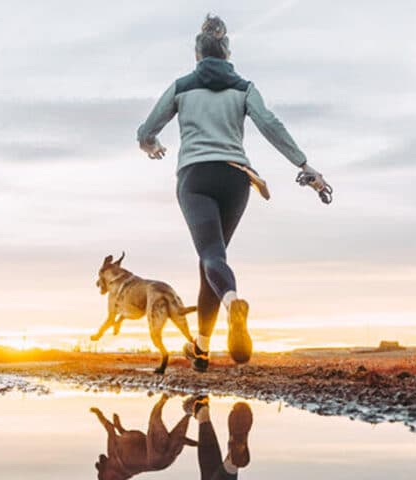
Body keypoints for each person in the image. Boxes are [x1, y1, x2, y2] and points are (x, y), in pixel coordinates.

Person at [135, 14, 322, 372]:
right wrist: (304, 165)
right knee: (212, 260)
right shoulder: (245, 88)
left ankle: (233, 301)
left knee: (211, 257)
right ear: (227, 53)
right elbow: (271, 125)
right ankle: (202, 348)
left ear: (196, 54)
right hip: (236, 179)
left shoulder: (181, 87)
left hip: (195, 177)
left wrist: (151, 145)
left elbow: (146, 131)